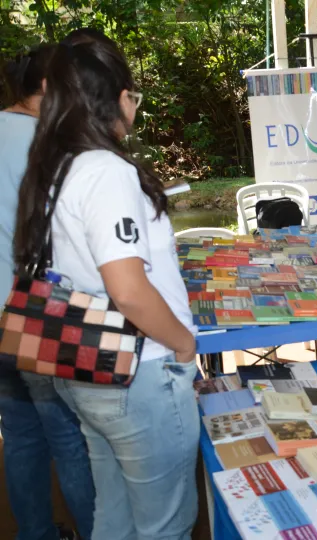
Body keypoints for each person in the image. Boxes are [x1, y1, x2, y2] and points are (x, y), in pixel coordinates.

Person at [13, 36, 200, 538]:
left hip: (83, 364)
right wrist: (184, 345)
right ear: (118, 97)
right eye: (134, 97)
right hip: (141, 371)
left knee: (114, 513)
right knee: (166, 523)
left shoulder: (54, 167)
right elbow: (129, 289)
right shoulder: (106, 170)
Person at [0, 44, 95, 540]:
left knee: (19, 435)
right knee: (68, 436)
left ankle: (34, 533)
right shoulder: (51, 144)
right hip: (37, 311)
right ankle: (99, 531)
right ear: (45, 89)